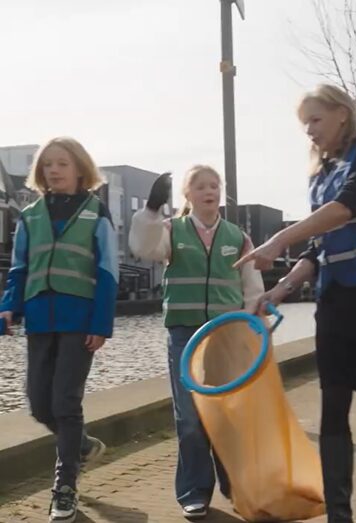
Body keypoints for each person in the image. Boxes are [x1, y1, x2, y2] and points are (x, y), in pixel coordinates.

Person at [235, 84, 356, 523]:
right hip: (337, 300)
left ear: (342, 114)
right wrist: (280, 289)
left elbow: (348, 208)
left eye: (316, 120)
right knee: (332, 403)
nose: (310, 132)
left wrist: (278, 238)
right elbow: (319, 247)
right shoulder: (320, 175)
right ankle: (339, 513)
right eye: (305, 125)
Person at [128, 165, 264, 520]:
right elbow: (142, 247)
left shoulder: (238, 237)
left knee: (226, 415)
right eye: (201, 186)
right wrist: (152, 211)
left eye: (215, 185)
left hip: (226, 336)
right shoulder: (172, 230)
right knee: (189, 417)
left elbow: (252, 288)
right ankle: (193, 491)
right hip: (185, 336)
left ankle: (235, 485)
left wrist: (252, 326)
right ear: (187, 195)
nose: (210, 191)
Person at [0, 137, 118, 523]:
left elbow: (107, 272)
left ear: (80, 169)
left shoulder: (96, 212)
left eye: (62, 163)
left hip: (79, 319)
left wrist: (101, 324)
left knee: (65, 402)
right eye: (47, 164)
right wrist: (8, 308)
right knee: (37, 401)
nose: (54, 170)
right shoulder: (30, 215)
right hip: (39, 318)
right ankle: (81, 445)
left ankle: (64, 488)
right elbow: (19, 268)